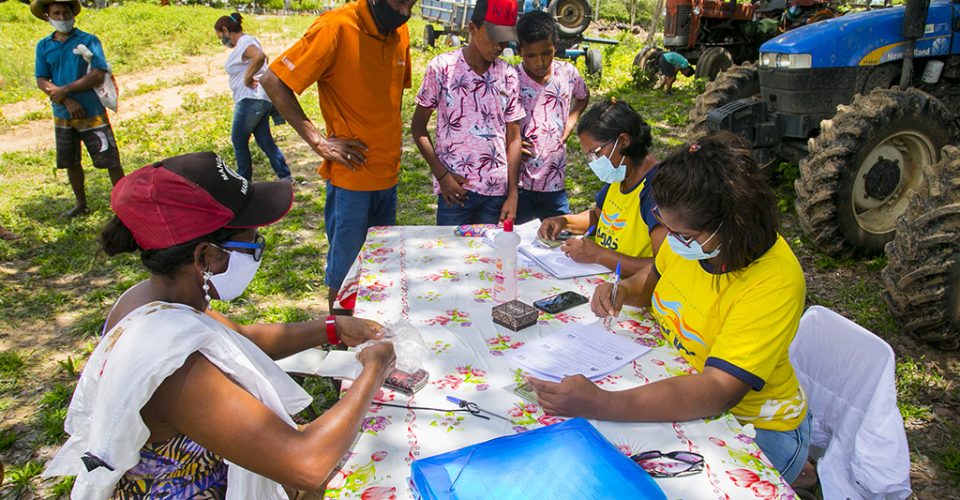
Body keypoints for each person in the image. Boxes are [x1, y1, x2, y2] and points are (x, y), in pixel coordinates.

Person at [44, 152, 396, 498]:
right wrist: (374, 368)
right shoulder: (176, 364)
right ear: (205, 256)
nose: (258, 250)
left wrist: (330, 328)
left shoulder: (152, 300)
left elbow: (238, 339)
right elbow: (306, 463)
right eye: (252, 243)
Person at [528, 132, 811, 483]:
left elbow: (718, 390)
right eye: (668, 229)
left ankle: (799, 471)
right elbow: (652, 282)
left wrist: (602, 402)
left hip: (756, 425)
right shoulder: (694, 240)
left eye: (684, 235)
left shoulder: (774, 281)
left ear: (732, 225)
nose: (673, 243)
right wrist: (622, 291)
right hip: (681, 379)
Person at [261, 0, 415, 313]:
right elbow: (273, 81)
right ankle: (341, 341)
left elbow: (390, 98)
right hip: (352, 178)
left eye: (412, 3)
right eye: (399, 2)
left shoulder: (400, 30)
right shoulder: (336, 27)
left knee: (378, 267)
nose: (405, 10)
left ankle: (370, 334)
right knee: (346, 271)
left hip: (388, 174)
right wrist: (319, 142)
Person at [411, 0, 524, 225]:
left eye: (505, 39)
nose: (500, 46)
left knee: (490, 257)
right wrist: (442, 176)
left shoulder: (508, 75)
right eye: (494, 38)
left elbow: (514, 137)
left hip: (496, 193)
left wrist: (512, 193)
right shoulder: (442, 68)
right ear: (472, 29)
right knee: (451, 257)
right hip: (455, 190)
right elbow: (418, 127)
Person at [537, 99, 666, 278]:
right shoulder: (621, 172)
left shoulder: (657, 191)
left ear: (623, 141)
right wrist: (565, 221)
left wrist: (599, 255)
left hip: (633, 294)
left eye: (595, 153)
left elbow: (664, 266)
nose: (593, 162)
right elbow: (599, 216)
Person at [33, 0, 124, 217]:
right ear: (48, 16)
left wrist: (65, 89)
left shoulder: (88, 40)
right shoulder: (44, 46)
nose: (63, 17)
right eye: (57, 13)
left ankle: (124, 203)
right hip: (63, 114)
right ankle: (81, 204)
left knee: (110, 159)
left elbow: (98, 73)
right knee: (71, 161)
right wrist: (66, 100)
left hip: (92, 112)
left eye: (66, 12)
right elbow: (41, 79)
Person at [514, 11, 589, 224]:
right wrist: (510, 144)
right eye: (531, 55)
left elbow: (583, 96)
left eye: (547, 53)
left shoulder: (568, 74)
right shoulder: (511, 79)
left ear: (555, 46)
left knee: (559, 239)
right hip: (520, 184)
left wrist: (571, 121)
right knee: (520, 242)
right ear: (519, 51)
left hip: (554, 184)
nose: (540, 62)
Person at [215, 13, 292, 182]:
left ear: (226, 30)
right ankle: (285, 176)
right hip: (259, 99)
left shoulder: (245, 43)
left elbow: (260, 56)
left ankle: (244, 180)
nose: (222, 41)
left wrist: (248, 77)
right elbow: (263, 61)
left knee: (238, 139)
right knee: (265, 141)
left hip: (250, 100)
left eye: (221, 37)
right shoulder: (247, 43)